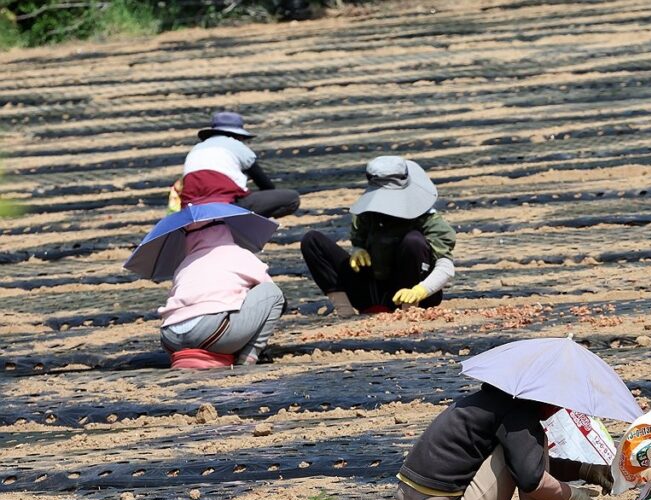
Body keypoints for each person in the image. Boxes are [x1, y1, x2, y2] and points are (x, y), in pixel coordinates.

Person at [396, 384, 614, 500]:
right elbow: (531, 478)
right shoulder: (518, 414)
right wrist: (573, 497)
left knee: (523, 454)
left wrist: (587, 471)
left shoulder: (485, 403)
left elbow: (528, 461)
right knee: (529, 456)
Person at [300, 156, 455, 316]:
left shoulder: (427, 219)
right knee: (312, 240)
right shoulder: (367, 213)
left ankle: (409, 312)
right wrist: (358, 250)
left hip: (413, 291)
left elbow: (445, 267)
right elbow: (358, 239)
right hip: (372, 291)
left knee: (413, 241)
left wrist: (421, 290)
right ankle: (345, 311)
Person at [158, 221, 285, 369]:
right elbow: (268, 289)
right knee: (273, 293)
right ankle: (249, 355)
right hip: (213, 332)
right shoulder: (237, 254)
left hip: (171, 339)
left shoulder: (183, 265)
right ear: (224, 230)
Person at [171, 111, 300, 219]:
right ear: (238, 136)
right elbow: (266, 185)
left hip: (193, 211)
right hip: (226, 206)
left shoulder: (195, 150)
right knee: (292, 198)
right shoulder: (236, 145)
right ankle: (244, 226)